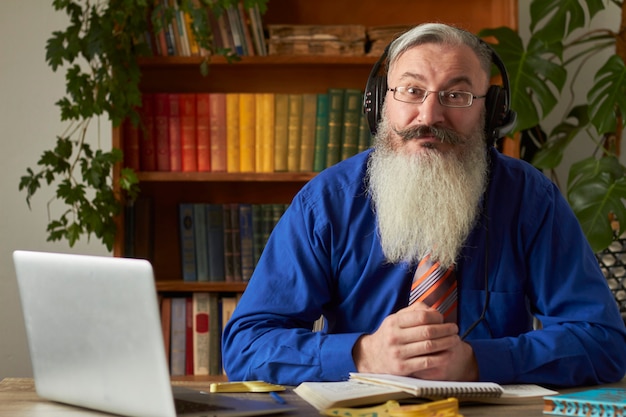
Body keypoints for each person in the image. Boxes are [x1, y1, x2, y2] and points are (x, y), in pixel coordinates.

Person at [222, 23, 626, 387]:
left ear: (491, 114)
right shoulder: (327, 203)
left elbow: (603, 341)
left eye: (457, 94)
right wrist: (362, 354)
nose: (429, 115)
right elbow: (246, 344)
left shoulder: (531, 200)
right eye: (412, 90)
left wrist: (478, 361)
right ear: (381, 102)